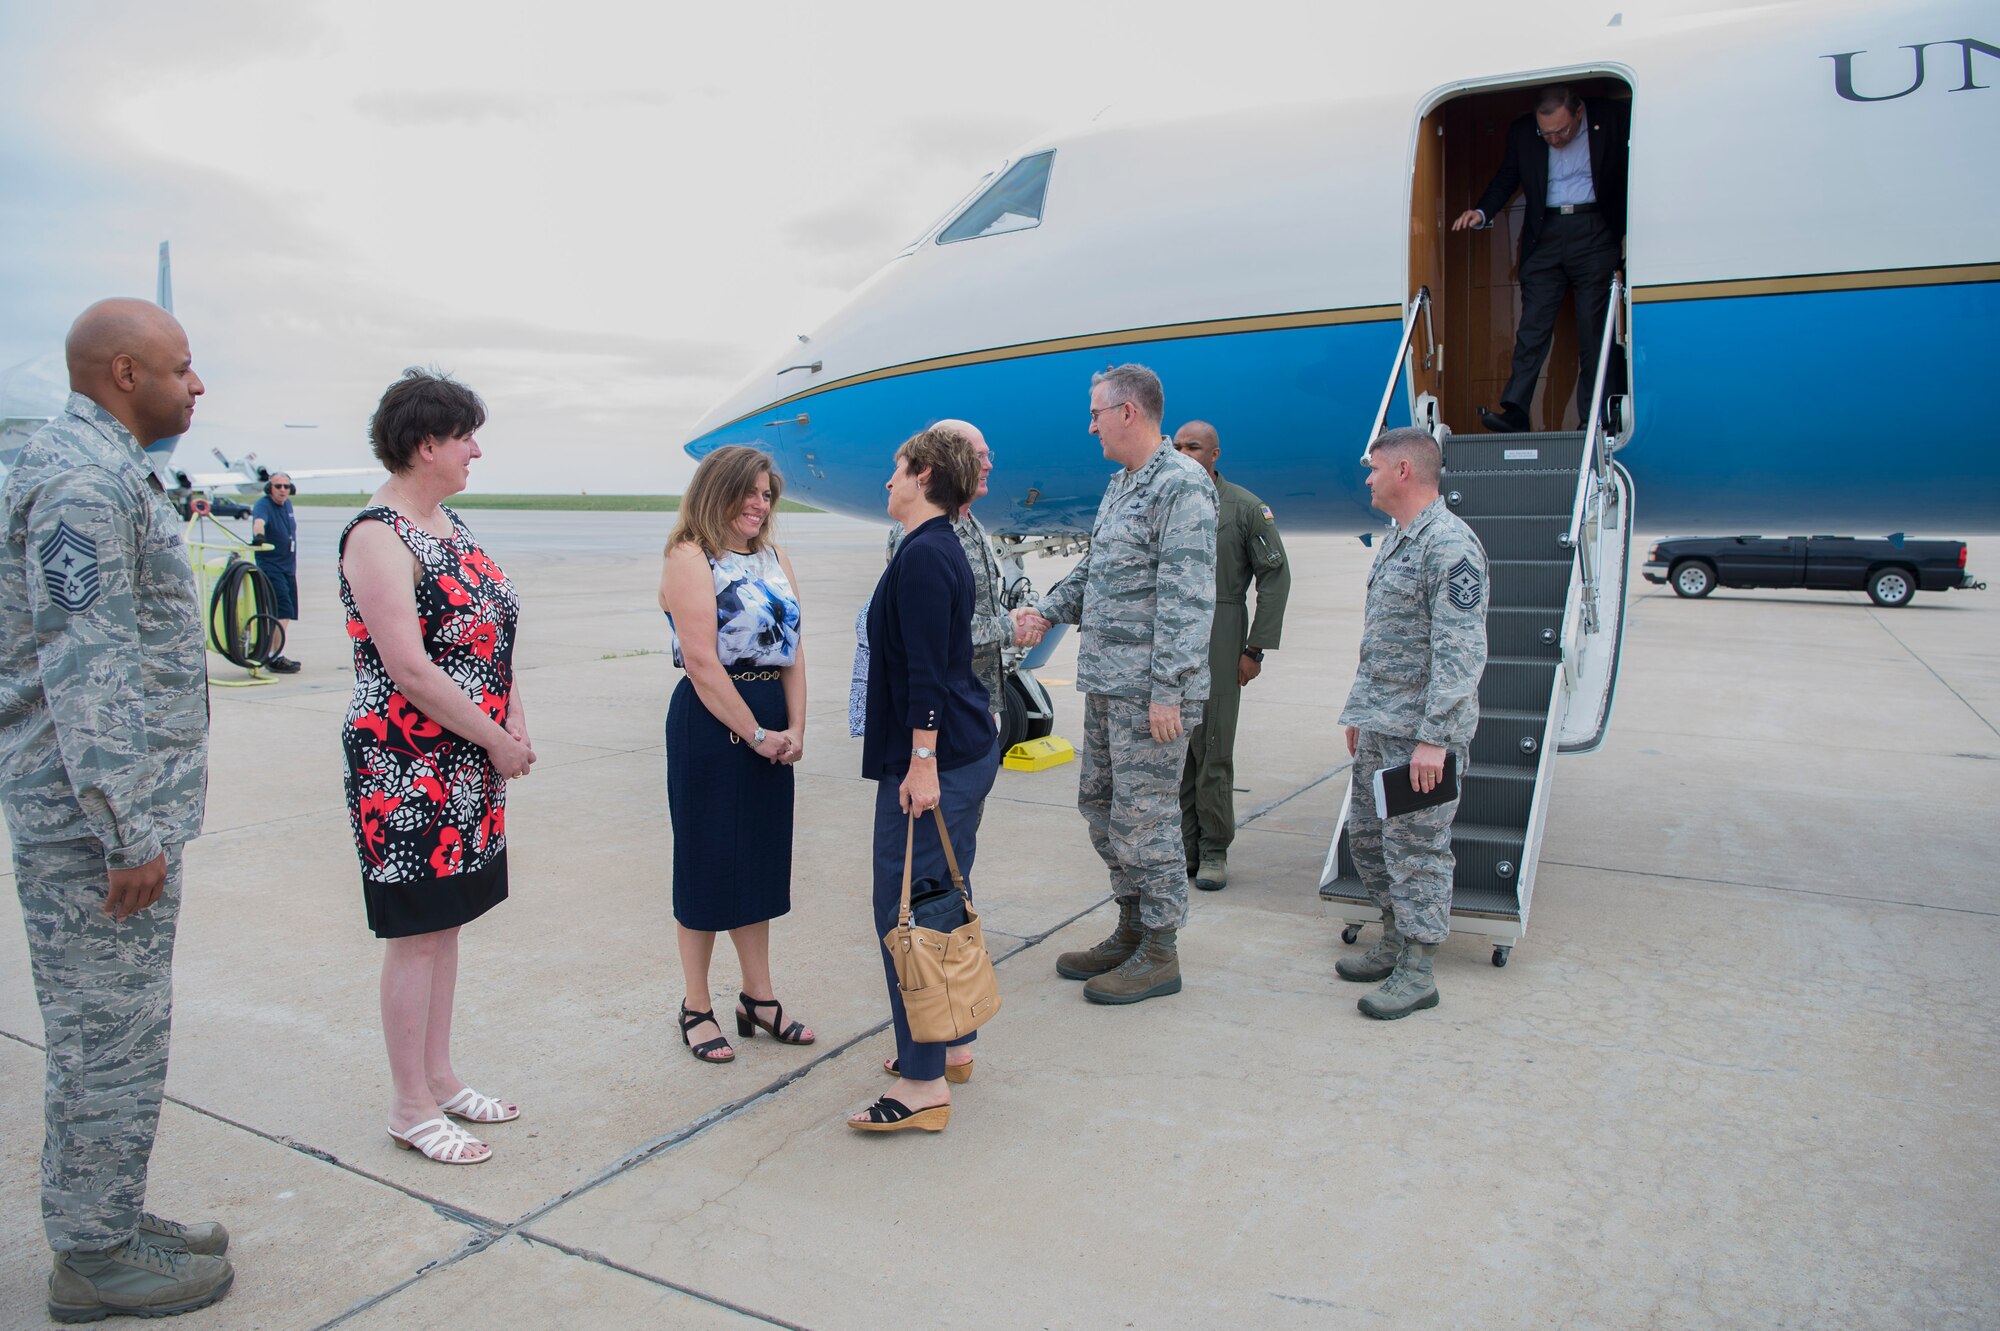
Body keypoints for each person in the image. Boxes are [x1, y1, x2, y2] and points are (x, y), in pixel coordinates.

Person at [0, 298, 235, 1320]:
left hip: (108, 814)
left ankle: (110, 1213)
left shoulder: (98, 468)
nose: (197, 386)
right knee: (106, 1036)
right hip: (92, 825)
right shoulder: (82, 481)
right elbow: (84, 667)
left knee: (125, 1033)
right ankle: (92, 1257)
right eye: (182, 369)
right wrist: (126, 830)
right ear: (125, 372)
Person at [340, 369, 533, 1165]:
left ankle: (441, 1075)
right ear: (426, 444)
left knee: (446, 926)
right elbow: (411, 669)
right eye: (464, 438)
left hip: (469, 761)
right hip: (407, 769)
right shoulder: (378, 535)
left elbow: (490, 633)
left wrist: (512, 713)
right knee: (414, 935)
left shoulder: (448, 524)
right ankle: (409, 1104)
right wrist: (493, 735)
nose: (474, 451)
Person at [1014, 364, 1216, 1006]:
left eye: (1097, 412)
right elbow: (1098, 571)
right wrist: (1045, 610)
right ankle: (1131, 925)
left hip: (1150, 695)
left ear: (1129, 412)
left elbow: (1188, 598)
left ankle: (1161, 949)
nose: (1091, 423)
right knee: (1101, 808)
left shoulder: (1180, 486)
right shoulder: (1122, 484)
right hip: (1107, 683)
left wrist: (1168, 692)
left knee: (1145, 818)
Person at [851, 425, 994, 1132]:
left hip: (942, 757)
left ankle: (922, 1081)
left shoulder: (927, 554)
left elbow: (926, 674)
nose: (888, 481)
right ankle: (951, 1040)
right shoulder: (938, 547)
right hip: (960, 753)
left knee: (906, 910)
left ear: (924, 473)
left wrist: (921, 761)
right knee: (939, 898)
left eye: (896, 468)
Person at [659, 445, 814, 1068]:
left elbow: (795, 648)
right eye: (748, 492)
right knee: (706, 861)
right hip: (714, 720)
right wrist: (756, 734)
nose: (759, 503)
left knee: (758, 861)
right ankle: (696, 1004)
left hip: (771, 716)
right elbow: (700, 661)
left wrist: (797, 724)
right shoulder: (689, 555)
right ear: (716, 491)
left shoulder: (774, 558)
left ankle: (759, 997)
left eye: (767, 493)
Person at [1337, 427, 1488, 1020]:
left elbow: (1460, 651)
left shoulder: (1449, 546)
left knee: (1417, 851)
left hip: (1422, 738)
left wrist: (1436, 740)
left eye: (1373, 469)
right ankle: (1395, 940)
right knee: (1370, 842)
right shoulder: (1399, 541)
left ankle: (1419, 970)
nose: (1367, 479)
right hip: (1382, 725)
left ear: (1403, 471)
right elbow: (1380, 640)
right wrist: (1359, 712)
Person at [1452, 85, 1630, 434]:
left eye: (1562, 131)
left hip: (1594, 228)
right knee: (1532, 327)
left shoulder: (1610, 118)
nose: (1555, 140)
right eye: (1546, 134)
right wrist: (1482, 211)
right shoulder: (1523, 132)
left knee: (1594, 330)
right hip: (1544, 232)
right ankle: (1516, 410)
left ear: (1579, 113)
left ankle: (1594, 418)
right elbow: (1508, 176)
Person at [1170, 421, 1290, 892]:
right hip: (1172, 639)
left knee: (1213, 747)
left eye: (1193, 447)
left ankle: (1215, 848)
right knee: (1175, 749)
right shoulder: (1166, 500)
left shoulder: (1244, 507)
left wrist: (1254, 649)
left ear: (1215, 453)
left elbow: (1274, 577)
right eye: (1176, 446)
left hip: (1220, 635)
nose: (1183, 453)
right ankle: (1185, 846)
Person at [884, 419, 1011, 727]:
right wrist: (1010, 628)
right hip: (945, 709)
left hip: (977, 699)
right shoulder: (919, 533)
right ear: (950, 461)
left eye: (987, 455)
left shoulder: (971, 523)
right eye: (978, 456)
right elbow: (937, 630)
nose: (988, 465)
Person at [250, 471, 302, 672]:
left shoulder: (287, 505)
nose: (282, 490)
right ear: (269, 488)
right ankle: (274, 656)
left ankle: (275, 652)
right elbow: (259, 522)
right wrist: (259, 536)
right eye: (278, 486)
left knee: (287, 611)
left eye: (286, 487)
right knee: (281, 610)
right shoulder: (264, 505)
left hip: (288, 567)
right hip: (272, 567)